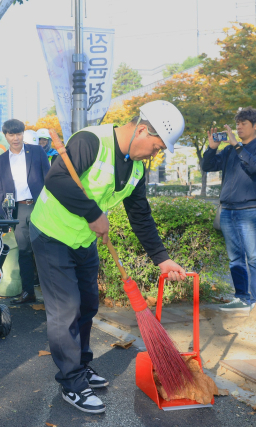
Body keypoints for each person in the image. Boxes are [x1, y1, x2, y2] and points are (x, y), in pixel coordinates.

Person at [30, 100, 187, 414]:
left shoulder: (137, 167)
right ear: (142, 130)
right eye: (156, 147)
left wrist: (161, 258)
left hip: (83, 240)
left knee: (88, 303)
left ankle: (81, 365)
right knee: (67, 309)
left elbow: (140, 214)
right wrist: (92, 213)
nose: (155, 154)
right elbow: (56, 179)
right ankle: (72, 383)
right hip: (51, 234)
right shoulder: (91, 141)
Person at [202, 108, 256, 311]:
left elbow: (253, 167)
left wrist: (238, 146)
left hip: (250, 209)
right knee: (235, 258)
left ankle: (255, 301)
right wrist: (212, 148)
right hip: (227, 210)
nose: (239, 127)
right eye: (238, 123)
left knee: (253, 257)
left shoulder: (245, 148)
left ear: (255, 126)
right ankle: (242, 298)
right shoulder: (229, 150)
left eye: (243, 123)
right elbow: (208, 166)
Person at [0, 119, 50, 304]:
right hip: (18, 210)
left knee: (44, 250)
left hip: (39, 206)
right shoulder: (1, 160)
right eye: (11, 134)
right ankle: (28, 292)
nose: (15, 138)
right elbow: (1, 190)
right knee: (24, 252)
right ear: (6, 136)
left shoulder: (36, 151)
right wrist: (5, 218)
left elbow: (49, 179)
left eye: (19, 133)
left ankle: (52, 293)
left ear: (23, 134)